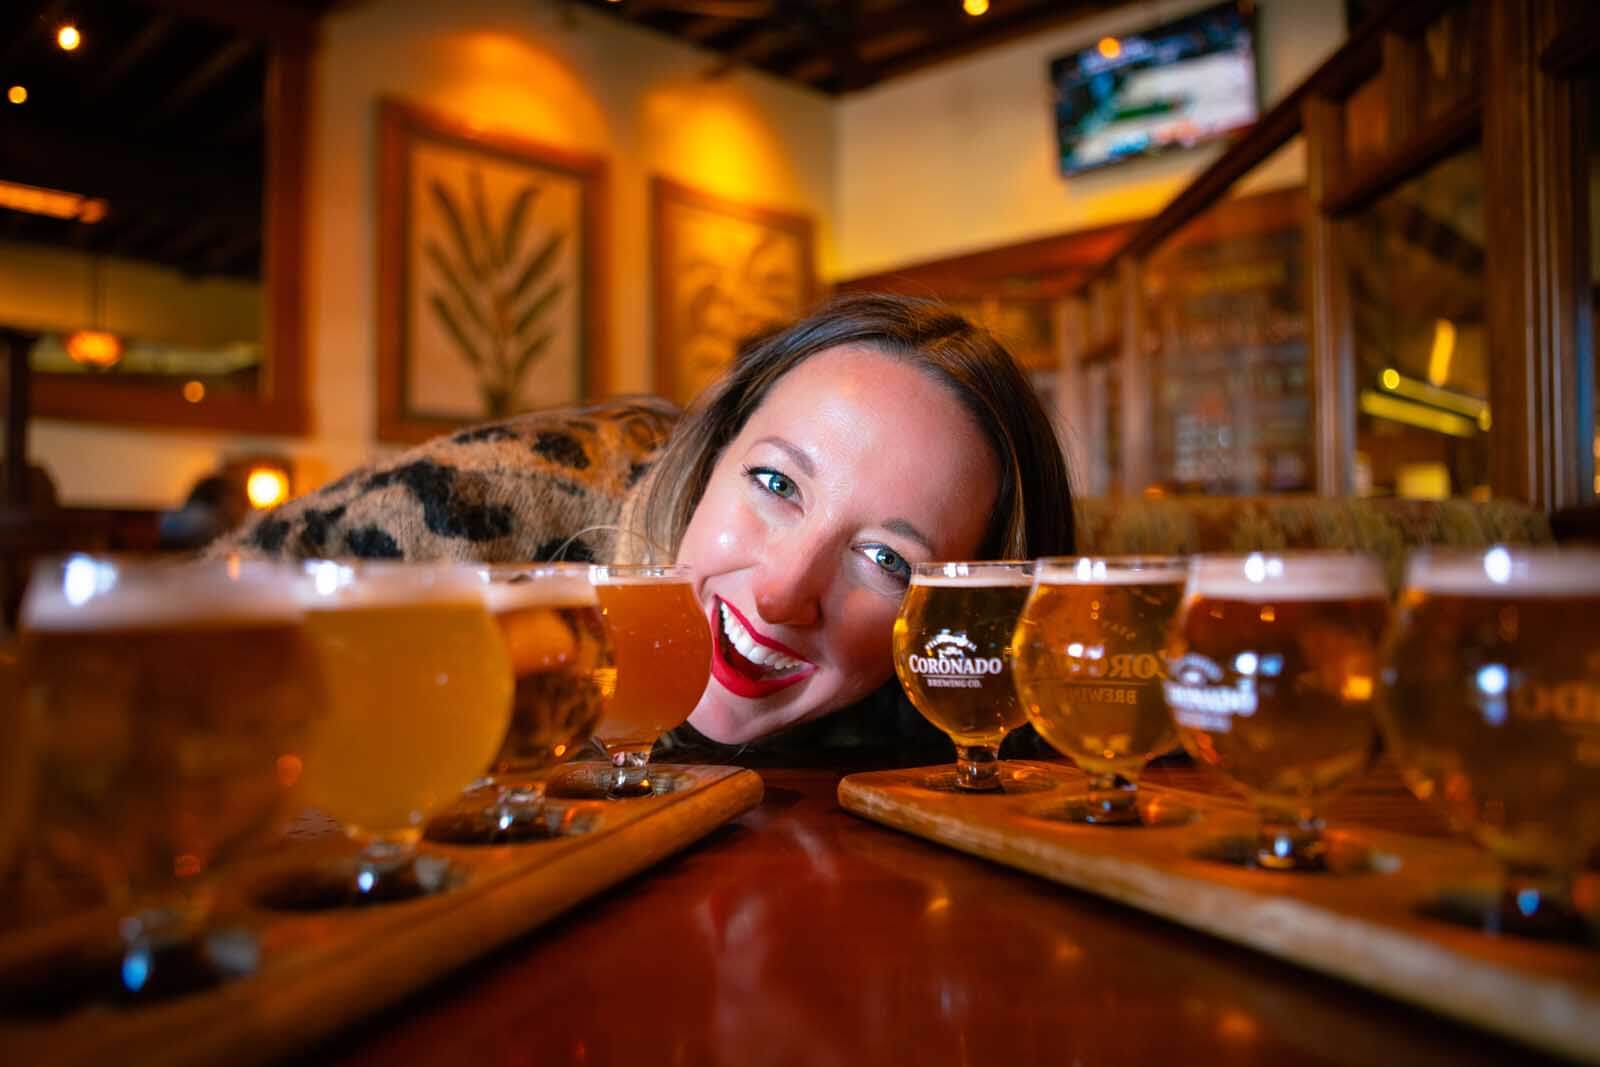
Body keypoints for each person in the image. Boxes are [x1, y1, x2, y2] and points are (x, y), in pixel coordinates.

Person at [212, 293, 1074, 753]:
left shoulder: (935, 711)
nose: (782, 592)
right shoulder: (461, 531)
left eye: (885, 556)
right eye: (774, 481)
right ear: (710, 453)